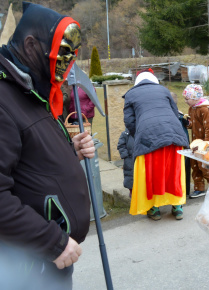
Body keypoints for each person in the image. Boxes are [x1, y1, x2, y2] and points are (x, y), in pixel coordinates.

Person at [0, 3, 95, 289]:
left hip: (48, 263)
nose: (68, 62)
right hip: (28, 267)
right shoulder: (5, 98)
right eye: (63, 52)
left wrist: (70, 153)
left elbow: (28, 161)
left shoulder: (33, 89)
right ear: (30, 44)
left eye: (72, 54)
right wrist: (52, 242)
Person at [123, 69, 189, 221]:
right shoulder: (164, 90)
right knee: (173, 171)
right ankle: (177, 207)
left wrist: (139, 134)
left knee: (152, 173)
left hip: (148, 135)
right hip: (174, 134)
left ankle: (154, 209)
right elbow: (174, 113)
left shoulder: (131, 94)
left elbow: (129, 121)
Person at [183, 84, 209, 198]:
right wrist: (188, 123)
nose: (185, 101)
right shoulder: (192, 108)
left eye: (187, 99)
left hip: (205, 144)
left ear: (194, 97)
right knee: (195, 165)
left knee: (204, 165)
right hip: (195, 143)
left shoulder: (205, 109)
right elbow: (193, 124)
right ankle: (199, 188)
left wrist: (207, 145)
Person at [170, 91, 191, 196]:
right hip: (185, 142)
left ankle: (181, 190)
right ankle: (185, 189)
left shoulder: (178, 115)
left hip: (179, 144)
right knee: (184, 167)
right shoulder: (180, 114)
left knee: (179, 167)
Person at [117, 128, 135, 198]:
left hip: (139, 160)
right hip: (129, 161)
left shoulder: (141, 133)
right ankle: (133, 197)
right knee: (130, 180)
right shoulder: (125, 134)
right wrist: (126, 156)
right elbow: (121, 145)